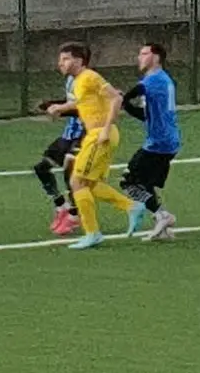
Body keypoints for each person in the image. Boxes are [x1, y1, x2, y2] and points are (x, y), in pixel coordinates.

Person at [57, 42, 139, 251]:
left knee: (77, 181)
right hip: (95, 135)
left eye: (65, 59)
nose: (61, 63)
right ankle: (131, 206)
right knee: (89, 184)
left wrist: (105, 127)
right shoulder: (78, 82)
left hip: (100, 134)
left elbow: (116, 97)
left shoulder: (90, 76)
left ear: (78, 60)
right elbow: (83, 103)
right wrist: (60, 107)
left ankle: (92, 233)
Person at [121, 41, 180, 242]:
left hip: (159, 142)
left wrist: (118, 98)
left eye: (144, 53)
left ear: (155, 57)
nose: (140, 57)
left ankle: (163, 215)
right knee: (146, 183)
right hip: (164, 140)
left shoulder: (154, 80)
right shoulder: (159, 81)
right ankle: (162, 226)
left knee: (128, 180)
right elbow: (145, 114)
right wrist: (125, 105)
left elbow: (132, 93)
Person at [34, 73, 87, 237]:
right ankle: (60, 206)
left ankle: (74, 215)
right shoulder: (71, 80)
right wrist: (51, 105)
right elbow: (71, 103)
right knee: (41, 168)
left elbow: (86, 108)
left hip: (85, 135)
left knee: (70, 173)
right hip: (68, 135)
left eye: (66, 58)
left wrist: (59, 110)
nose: (61, 63)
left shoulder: (87, 81)